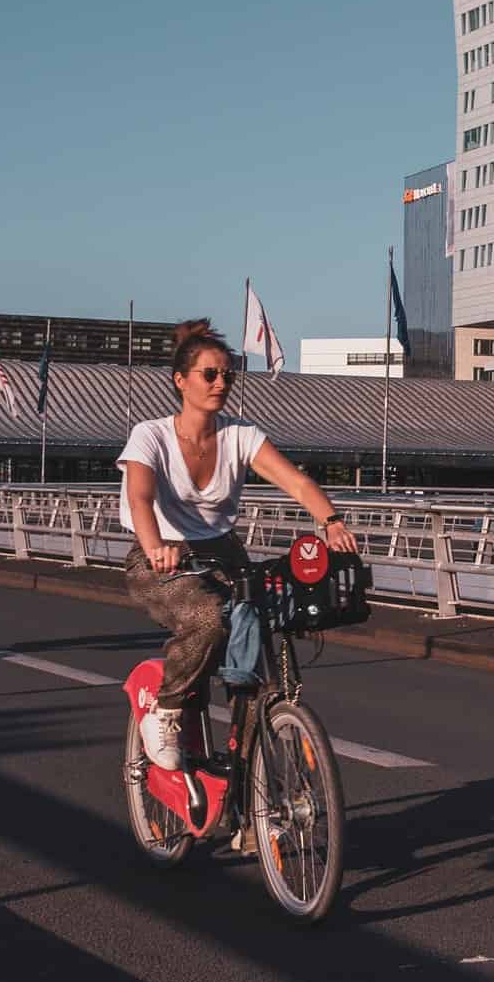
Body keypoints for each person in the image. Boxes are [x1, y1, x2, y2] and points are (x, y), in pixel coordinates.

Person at [121, 318, 357, 771]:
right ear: (180, 381)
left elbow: (297, 482)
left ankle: (252, 798)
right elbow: (140, 499)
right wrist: (156, 548)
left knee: (268, 635)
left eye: (228, 374)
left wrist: (331, 521)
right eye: (209, 374)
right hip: (162, 554)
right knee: (207, 618)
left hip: (224, 552)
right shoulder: (150, 435)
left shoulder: (240, 435)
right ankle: (166, 710)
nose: (221, 383)